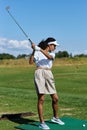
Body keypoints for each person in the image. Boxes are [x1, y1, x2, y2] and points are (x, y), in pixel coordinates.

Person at [29, 37, 64, 129]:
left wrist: (39, 49)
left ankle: (55, 118)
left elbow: (49, 57)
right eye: (54, 46)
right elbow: (30, 62)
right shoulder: (37, 52)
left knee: (55, 98)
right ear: (50, 45)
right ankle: (42, 122)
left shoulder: (52, 53)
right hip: (39, 73)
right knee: (41, 99)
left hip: (49, 73)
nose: (55, 48)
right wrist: (33, 50)